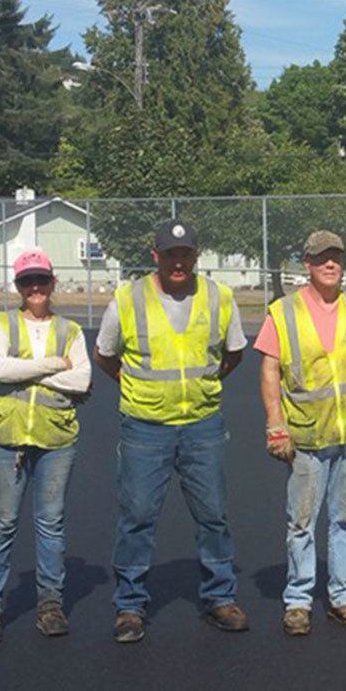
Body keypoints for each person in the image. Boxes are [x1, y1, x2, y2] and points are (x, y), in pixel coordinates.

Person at [94, 220, 248, 643]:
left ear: (195, 257)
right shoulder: (127, 300)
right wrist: (140, 389)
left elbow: (233, 354)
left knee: (213, 515)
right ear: (155, 255)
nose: (178, 262)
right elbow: (105, 355)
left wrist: (203, 388)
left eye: (186, 254)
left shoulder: (219, 298)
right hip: (146, 426)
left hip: (202, 424)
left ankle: (220, 597)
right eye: (170, 254)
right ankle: (130, 605)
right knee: (138, 516)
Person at [257, 230, 346, 636]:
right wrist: (276, 423)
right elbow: (269, 370)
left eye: (336, 257)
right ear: (307, 264)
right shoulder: (283, 312)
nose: (330, 264)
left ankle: (343, 596)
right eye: (321, 258)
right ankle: (298, 600)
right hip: (306, 438)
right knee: (301, 521)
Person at [0, 249, 91, 643]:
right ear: (18, 286)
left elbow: (82, 381)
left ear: (53, 282)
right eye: (27, 281)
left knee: (51, 524)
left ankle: (50, 604)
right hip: (5, 440)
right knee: (1, 523)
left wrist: (33, 373)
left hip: (56, 439)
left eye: (41, 280)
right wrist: (55, 365)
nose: (35, 288)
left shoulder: (70, 331)